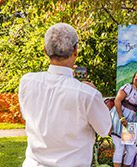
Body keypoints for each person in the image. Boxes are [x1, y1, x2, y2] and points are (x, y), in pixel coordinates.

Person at [18, 23, 112, 167]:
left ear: (45, 50)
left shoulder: (27, 82)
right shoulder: (87, 94)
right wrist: (96, 94)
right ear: (76, 50)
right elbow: (105, 129)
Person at [111, 70, 137, 167]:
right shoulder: (128, 87)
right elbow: (117, 100)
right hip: (120, 121)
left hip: (129, 124)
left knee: (131, 150)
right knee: (119, 147)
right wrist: (121, 117)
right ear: (133, 78)